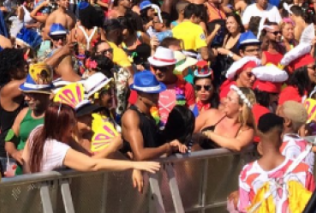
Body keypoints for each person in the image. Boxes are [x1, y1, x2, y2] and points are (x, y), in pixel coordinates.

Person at [23, 104, 160, 192]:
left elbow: (89, 157)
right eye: (71, 122)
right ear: (60, 126)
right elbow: (93, 164)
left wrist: (29, 180)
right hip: (42, 195)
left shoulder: (39, 130)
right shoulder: (56, 148)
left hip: (34, 190)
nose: (74, 125)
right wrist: (134, 165)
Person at [233, 113, 313, 213]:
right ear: (281, 136)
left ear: (259, 134)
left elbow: (245, 210)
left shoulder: (248, 173)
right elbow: (312, 204)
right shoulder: (303, 170)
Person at [121, 71, 187, 161]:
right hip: (139, 172)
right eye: (151, 94)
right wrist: (165, 148)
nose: (156, 97)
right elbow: (140, 155)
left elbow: (154, 145)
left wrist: (171, 145)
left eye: (157, 92)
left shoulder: (149, 115)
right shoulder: (131, 116)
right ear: (139, 94)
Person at [193, 85, 255, 153]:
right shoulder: (212, 114)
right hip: (197, 162)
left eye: (230, 99)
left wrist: (210, 134)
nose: (225, 101)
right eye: (226, 97)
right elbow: (187, 131)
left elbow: (237, 145)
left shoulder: (246, 130)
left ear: (241, 107)